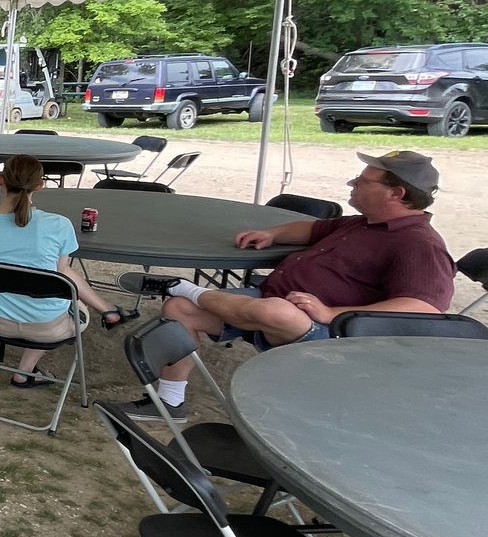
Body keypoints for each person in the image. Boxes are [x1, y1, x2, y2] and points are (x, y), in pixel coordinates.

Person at [138, 150, 455, 423]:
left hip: (328, 331)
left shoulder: (419, 243)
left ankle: (185, 287)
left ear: (396, 193)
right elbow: (310, 229)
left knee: (277, 311)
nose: (352, 183)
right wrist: (273, 234)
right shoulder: (363, 222)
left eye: (363, 180)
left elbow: (424, 308)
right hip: (268, 301)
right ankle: (169, 402)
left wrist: (333, 313)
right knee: (178, 309)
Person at [0, 154, 135, 388]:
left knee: (45, 290)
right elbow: (62, 272)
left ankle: (107, 311)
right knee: (66, 294)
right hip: (48, 328)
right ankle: (24, 372)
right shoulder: (59, 224)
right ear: (40, 185)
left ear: (0, 180)